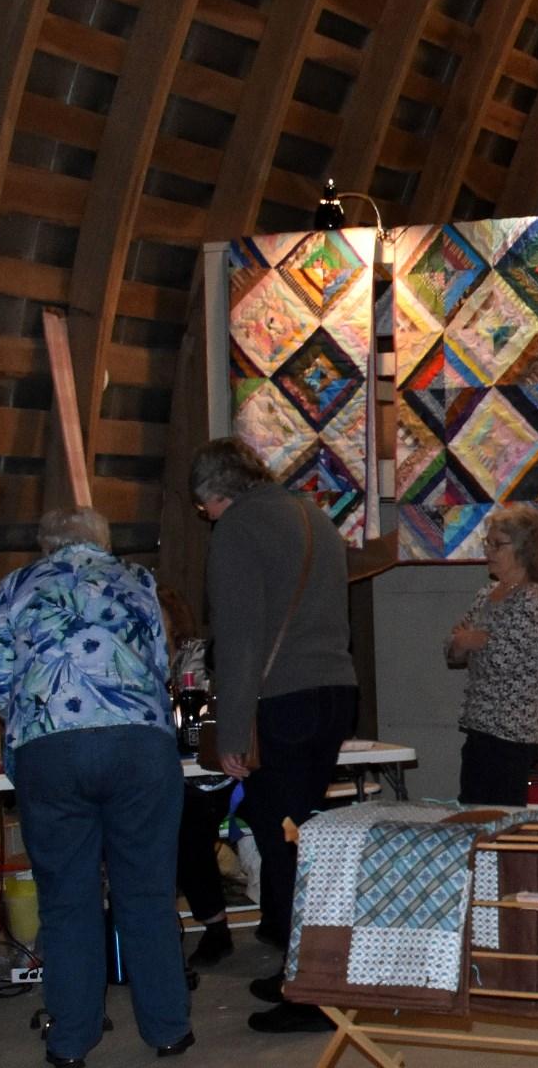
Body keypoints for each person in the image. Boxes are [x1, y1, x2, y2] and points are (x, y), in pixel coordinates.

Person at [0, 507, 191, 1066]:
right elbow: (160, 662)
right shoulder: (139, 579)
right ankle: (169, 1029)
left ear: (46, 545)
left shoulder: (18, 585)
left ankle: (71, 1040)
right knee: (147, 894)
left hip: (52, 750)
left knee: (66, 901)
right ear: (104, 541)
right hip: (139, 747)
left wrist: (32, 718)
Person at [190, 438, 357, 1035]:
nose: (206, 517)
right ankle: (298, 971)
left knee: (282, 844)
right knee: (301, 835)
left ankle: (309, 993)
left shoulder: (237, 528)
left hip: (283, 701)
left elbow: (238, 639)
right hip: (336, 691)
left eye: (203, 507)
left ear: (215, 493)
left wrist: (232, 732)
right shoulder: (312, 516)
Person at [448, 505, 538, 805]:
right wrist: (467, 642)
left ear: (524, 549)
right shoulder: (486, 594)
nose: (489, 551)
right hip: (479, 726)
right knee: (472, 808)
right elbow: (452, 649)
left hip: (512, 733)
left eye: (498, 544)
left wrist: (471, 641)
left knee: (502, 814)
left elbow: (505, 660)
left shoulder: (533, 599)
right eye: (488, 543)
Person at [156, 585, 236, 968]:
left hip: (214, 773)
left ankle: (216, 927)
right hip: (165, 774)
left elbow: (199, 719)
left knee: (188, 826)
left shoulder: (195, 656)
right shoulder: (137, 660)